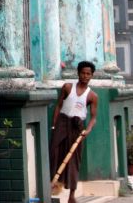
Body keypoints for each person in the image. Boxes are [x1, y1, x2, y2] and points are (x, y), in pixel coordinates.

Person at [50, 61, 99, 203]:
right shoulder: (67, 87)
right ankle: (53, 184)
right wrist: (54, 126)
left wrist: (87, 130)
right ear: (78, 73)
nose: (85, 76)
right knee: (54, 152)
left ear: (92, 76)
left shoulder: (92, 96)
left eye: (88, 74)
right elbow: (58, 106)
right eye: (83, 73)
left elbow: (94, 117)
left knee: (74, 160)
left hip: (77, 127)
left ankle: (72, 195)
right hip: (62, 122)